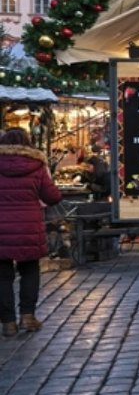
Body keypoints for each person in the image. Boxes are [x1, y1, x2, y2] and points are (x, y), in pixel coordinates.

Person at [0, 127, 63, 336]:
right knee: (29, 270)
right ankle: (28, 316)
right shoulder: (37, 165)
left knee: (2, 276)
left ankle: (8, 323)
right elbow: (52, 196)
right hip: (29, 226)